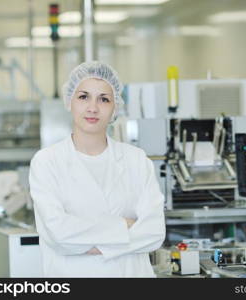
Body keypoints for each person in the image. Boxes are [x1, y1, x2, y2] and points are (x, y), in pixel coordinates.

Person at [29, 61, 166, 277]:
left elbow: (154, 232)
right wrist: (126, 226)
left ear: (115, 107)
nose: (93, 107)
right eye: (84, 97)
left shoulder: (136, 160)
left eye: (104, 99)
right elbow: (59, 235)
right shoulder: (47, 162)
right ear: (69, 101)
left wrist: (88, 241)